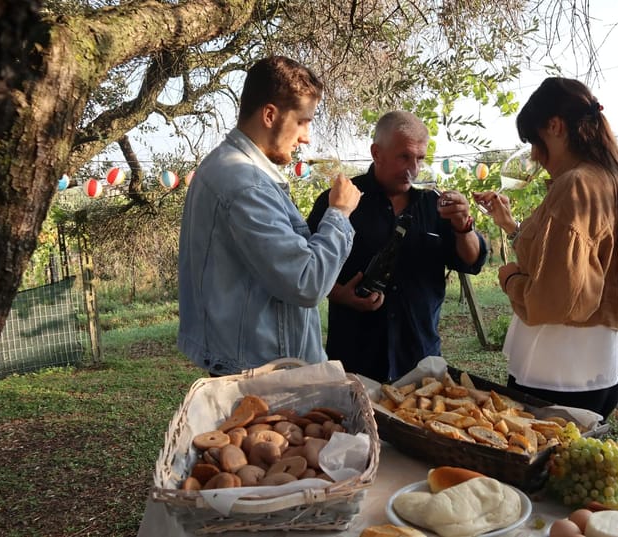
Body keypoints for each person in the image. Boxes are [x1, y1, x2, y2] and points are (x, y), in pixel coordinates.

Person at [473, 77, 618, 420]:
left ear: (554, 126)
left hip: (558, 368)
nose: (536, 156)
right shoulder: (611, 179)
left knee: (539, 465)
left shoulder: (576, 184)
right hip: (598, 363)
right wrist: (510, 226)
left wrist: (510, 280)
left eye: (536, 143)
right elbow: (568, 258)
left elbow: (556, 299)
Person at [177, 56, 361, 376]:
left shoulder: (224, 167)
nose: (306, 136)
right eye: (303, 121)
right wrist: (339, 213)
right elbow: (306, 283)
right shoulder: (245, 184)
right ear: (270, 115)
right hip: (264, 375)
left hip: (250, 364)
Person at [307, 111, 488, 381]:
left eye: (420, 158)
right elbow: (305, 266)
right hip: (355, 357)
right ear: (376, 153)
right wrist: (337, 294)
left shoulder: (435, 205)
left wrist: (464, 227)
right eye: (404, 156)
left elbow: (471, 261)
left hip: (419, 360)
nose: (412, 168)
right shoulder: (339, 200)